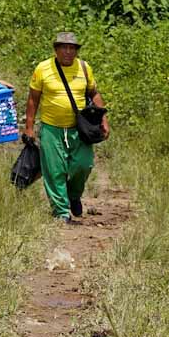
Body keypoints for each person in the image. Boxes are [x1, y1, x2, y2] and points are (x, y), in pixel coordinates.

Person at [22, 30, 110, 224]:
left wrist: (104, 119)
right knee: (55, 171)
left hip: (79, 129)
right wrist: (29, 127)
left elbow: (94, 94)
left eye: (72, 48)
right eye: (64, 48)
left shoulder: (84, 68)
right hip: (51, 128)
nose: (68, 52)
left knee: (83, 165)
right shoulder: (43, 69)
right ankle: (61, 211)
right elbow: (33, 99)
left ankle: (74, 195)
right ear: (56, 50)